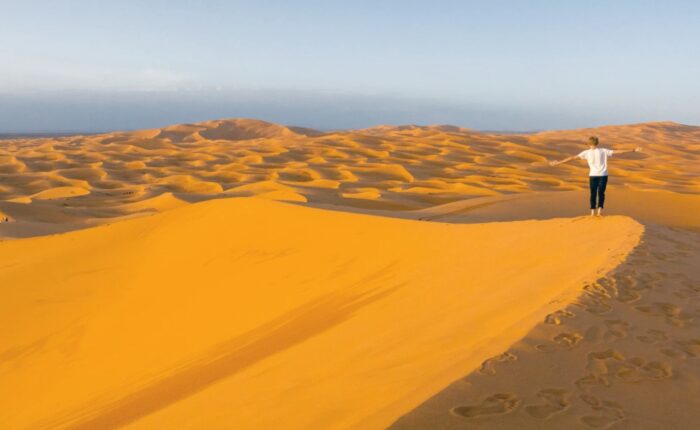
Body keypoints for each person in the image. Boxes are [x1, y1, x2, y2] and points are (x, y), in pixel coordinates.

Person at [549, 136, 642, 216]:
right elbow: (618, 152)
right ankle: (600, 211)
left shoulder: (586, 152)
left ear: (588, 144)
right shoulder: (603, 151)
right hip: (603, 175)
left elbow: (572, 158)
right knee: (601, 193)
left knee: (593, 193)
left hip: (593, 176)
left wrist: (558, 163)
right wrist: (633, 150)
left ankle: (592, 212)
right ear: (597, 143)